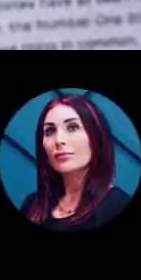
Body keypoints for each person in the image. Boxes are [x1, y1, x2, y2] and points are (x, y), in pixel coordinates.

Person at [21, 93, 131, 231]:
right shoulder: (33, 206)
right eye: (49, 131)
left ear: (96, 136)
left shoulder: (118, 207)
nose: (59, 140)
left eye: (72, 128)